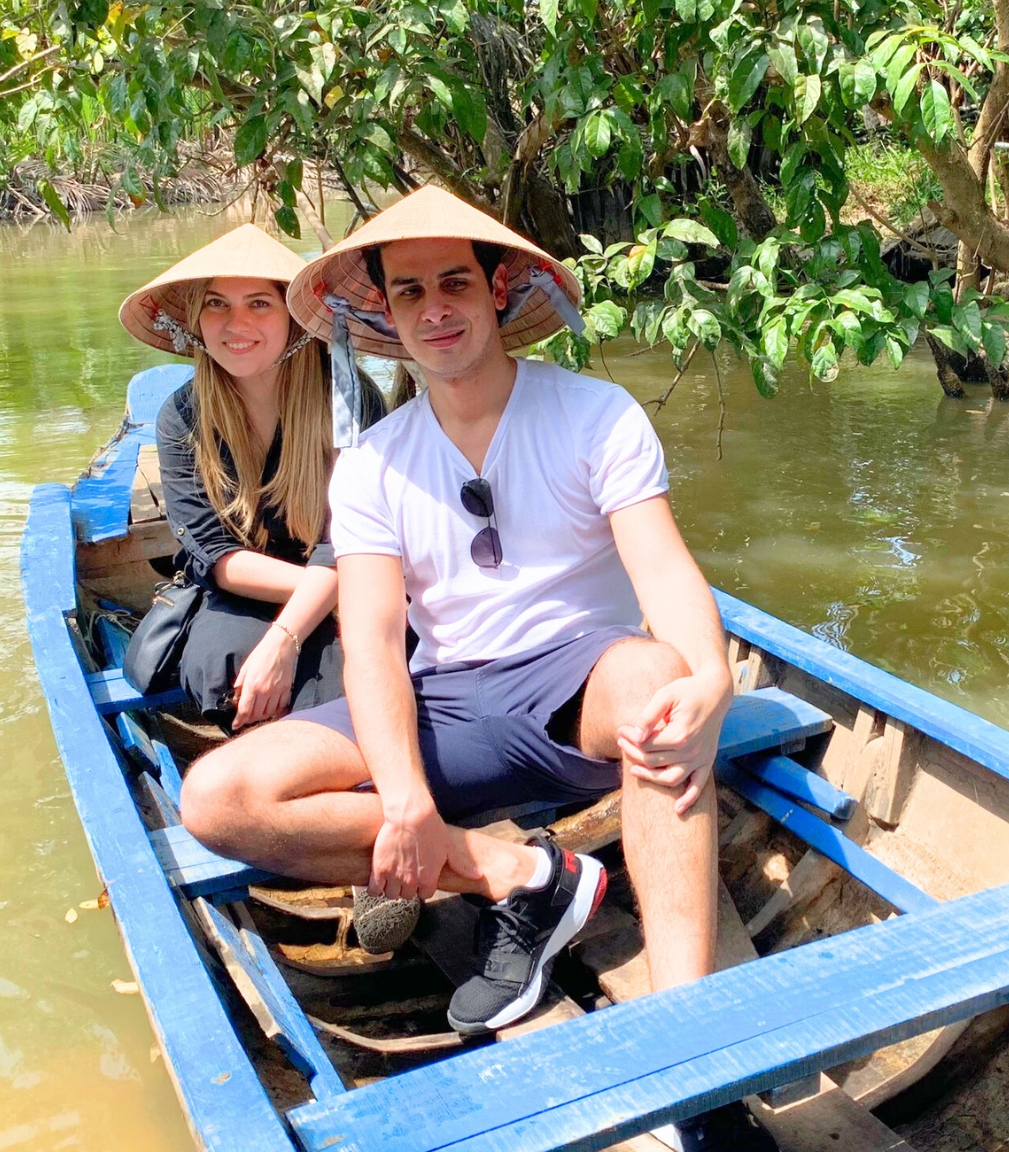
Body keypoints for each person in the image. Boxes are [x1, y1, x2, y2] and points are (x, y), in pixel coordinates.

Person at [178, 188, 776, 1150]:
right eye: (410, 292)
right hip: (445, 701)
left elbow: (663, 568)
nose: (436, 308)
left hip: (577, 686)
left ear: (500, 291)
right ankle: (521, 874)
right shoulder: (371, 463)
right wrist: (408, 799)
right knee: (220, 796)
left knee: (660, 686)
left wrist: (710, 681)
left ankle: (687, 1056)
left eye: (456, 282)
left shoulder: (595, 415)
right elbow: (373, 641)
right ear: (384, 312)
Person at [120, 223, 401, 733]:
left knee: (363, 677)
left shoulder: (350, 402)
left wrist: (287, 636)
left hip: (352, 575)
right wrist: (325, 598)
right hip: (251, 591)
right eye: (216, 305)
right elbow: (217, 557)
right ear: (197, 320)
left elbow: (352, 537)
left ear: (294, 317)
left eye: (258, 304)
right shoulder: (183, 415)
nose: (235, 324)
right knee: (222, 667)